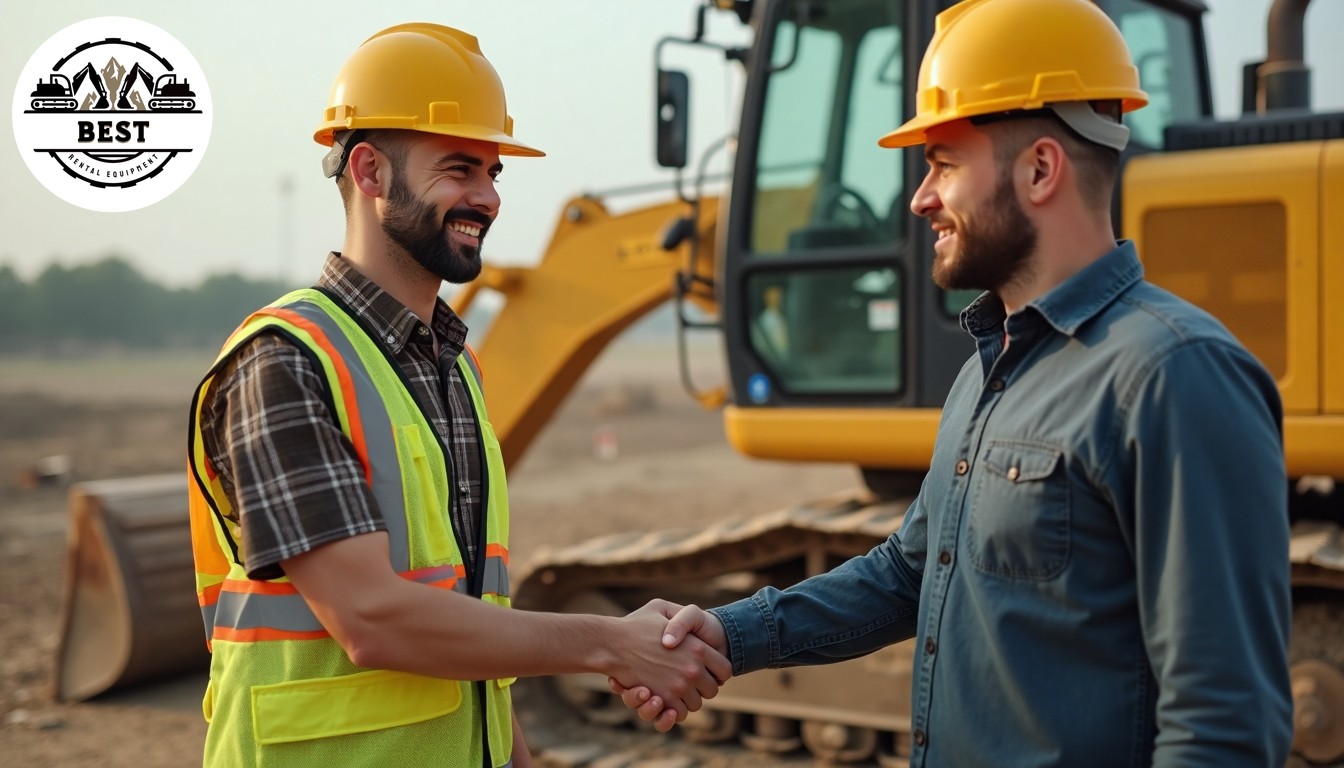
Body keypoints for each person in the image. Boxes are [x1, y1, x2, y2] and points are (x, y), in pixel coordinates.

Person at [612, 0, 1294, 765]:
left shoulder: (1173, 375)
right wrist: (731, 635)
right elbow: (911, 571)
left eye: (943, 163)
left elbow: (1222, 724)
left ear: (1041, 168)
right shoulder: (988, 368)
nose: (920, 198)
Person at [186, 24, 728, 768]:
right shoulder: (282, 363)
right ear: (371, 172)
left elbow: (467, 614)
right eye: (460, 169)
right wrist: (609, 641)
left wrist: (513, 753)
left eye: (495, 173)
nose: (488, 198)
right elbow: (371, 619)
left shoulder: (453, 367)